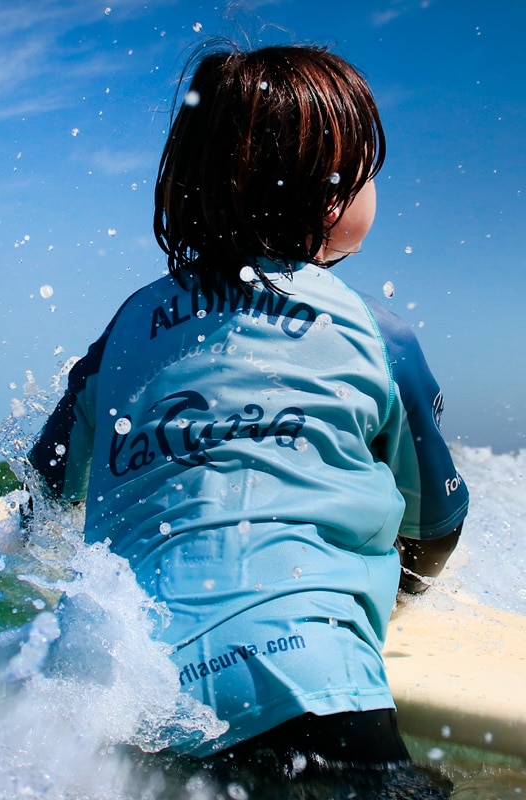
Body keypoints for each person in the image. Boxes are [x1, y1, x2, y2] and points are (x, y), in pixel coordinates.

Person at [29, 43, 469, 779]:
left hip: (119, 687)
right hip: (309, 678)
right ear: (336, 199)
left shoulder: (128, 328)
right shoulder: (378, 332)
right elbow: (435, 526)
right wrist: (405, 592)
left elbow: (46, 485)